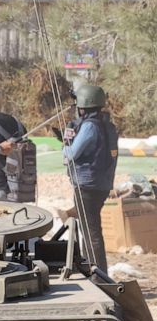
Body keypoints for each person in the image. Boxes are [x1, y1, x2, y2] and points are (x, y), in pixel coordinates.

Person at [63, 84, 118, 272]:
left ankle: (99, 274)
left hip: (86, 185)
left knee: (90, 232)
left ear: (82, 106)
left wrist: (65, 143)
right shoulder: (108, 125)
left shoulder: (88, 126)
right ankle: (92, 269)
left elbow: (72, 154)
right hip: (102, 185)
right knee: (91, 228)